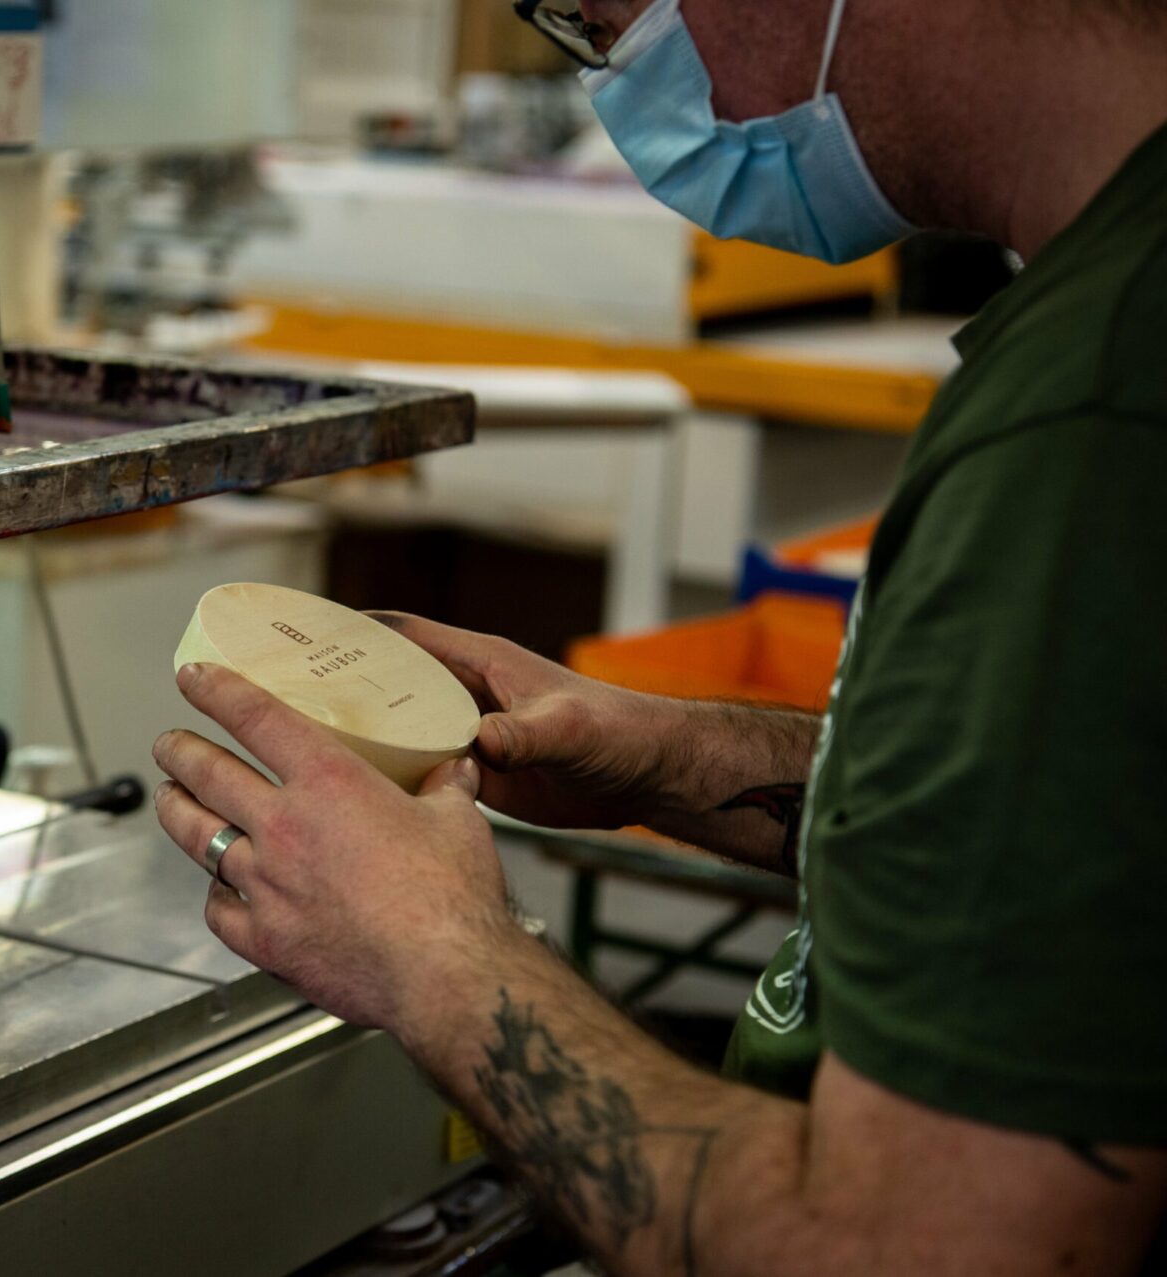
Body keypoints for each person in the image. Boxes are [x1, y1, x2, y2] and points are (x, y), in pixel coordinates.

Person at [151, 0, 1167, 1271]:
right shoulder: (1100, 307)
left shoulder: (1094, 421)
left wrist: (436, 955)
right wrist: (674, 758)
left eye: (598, 16)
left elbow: (919, 1249)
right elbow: (1076, 840)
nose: (619, 78)